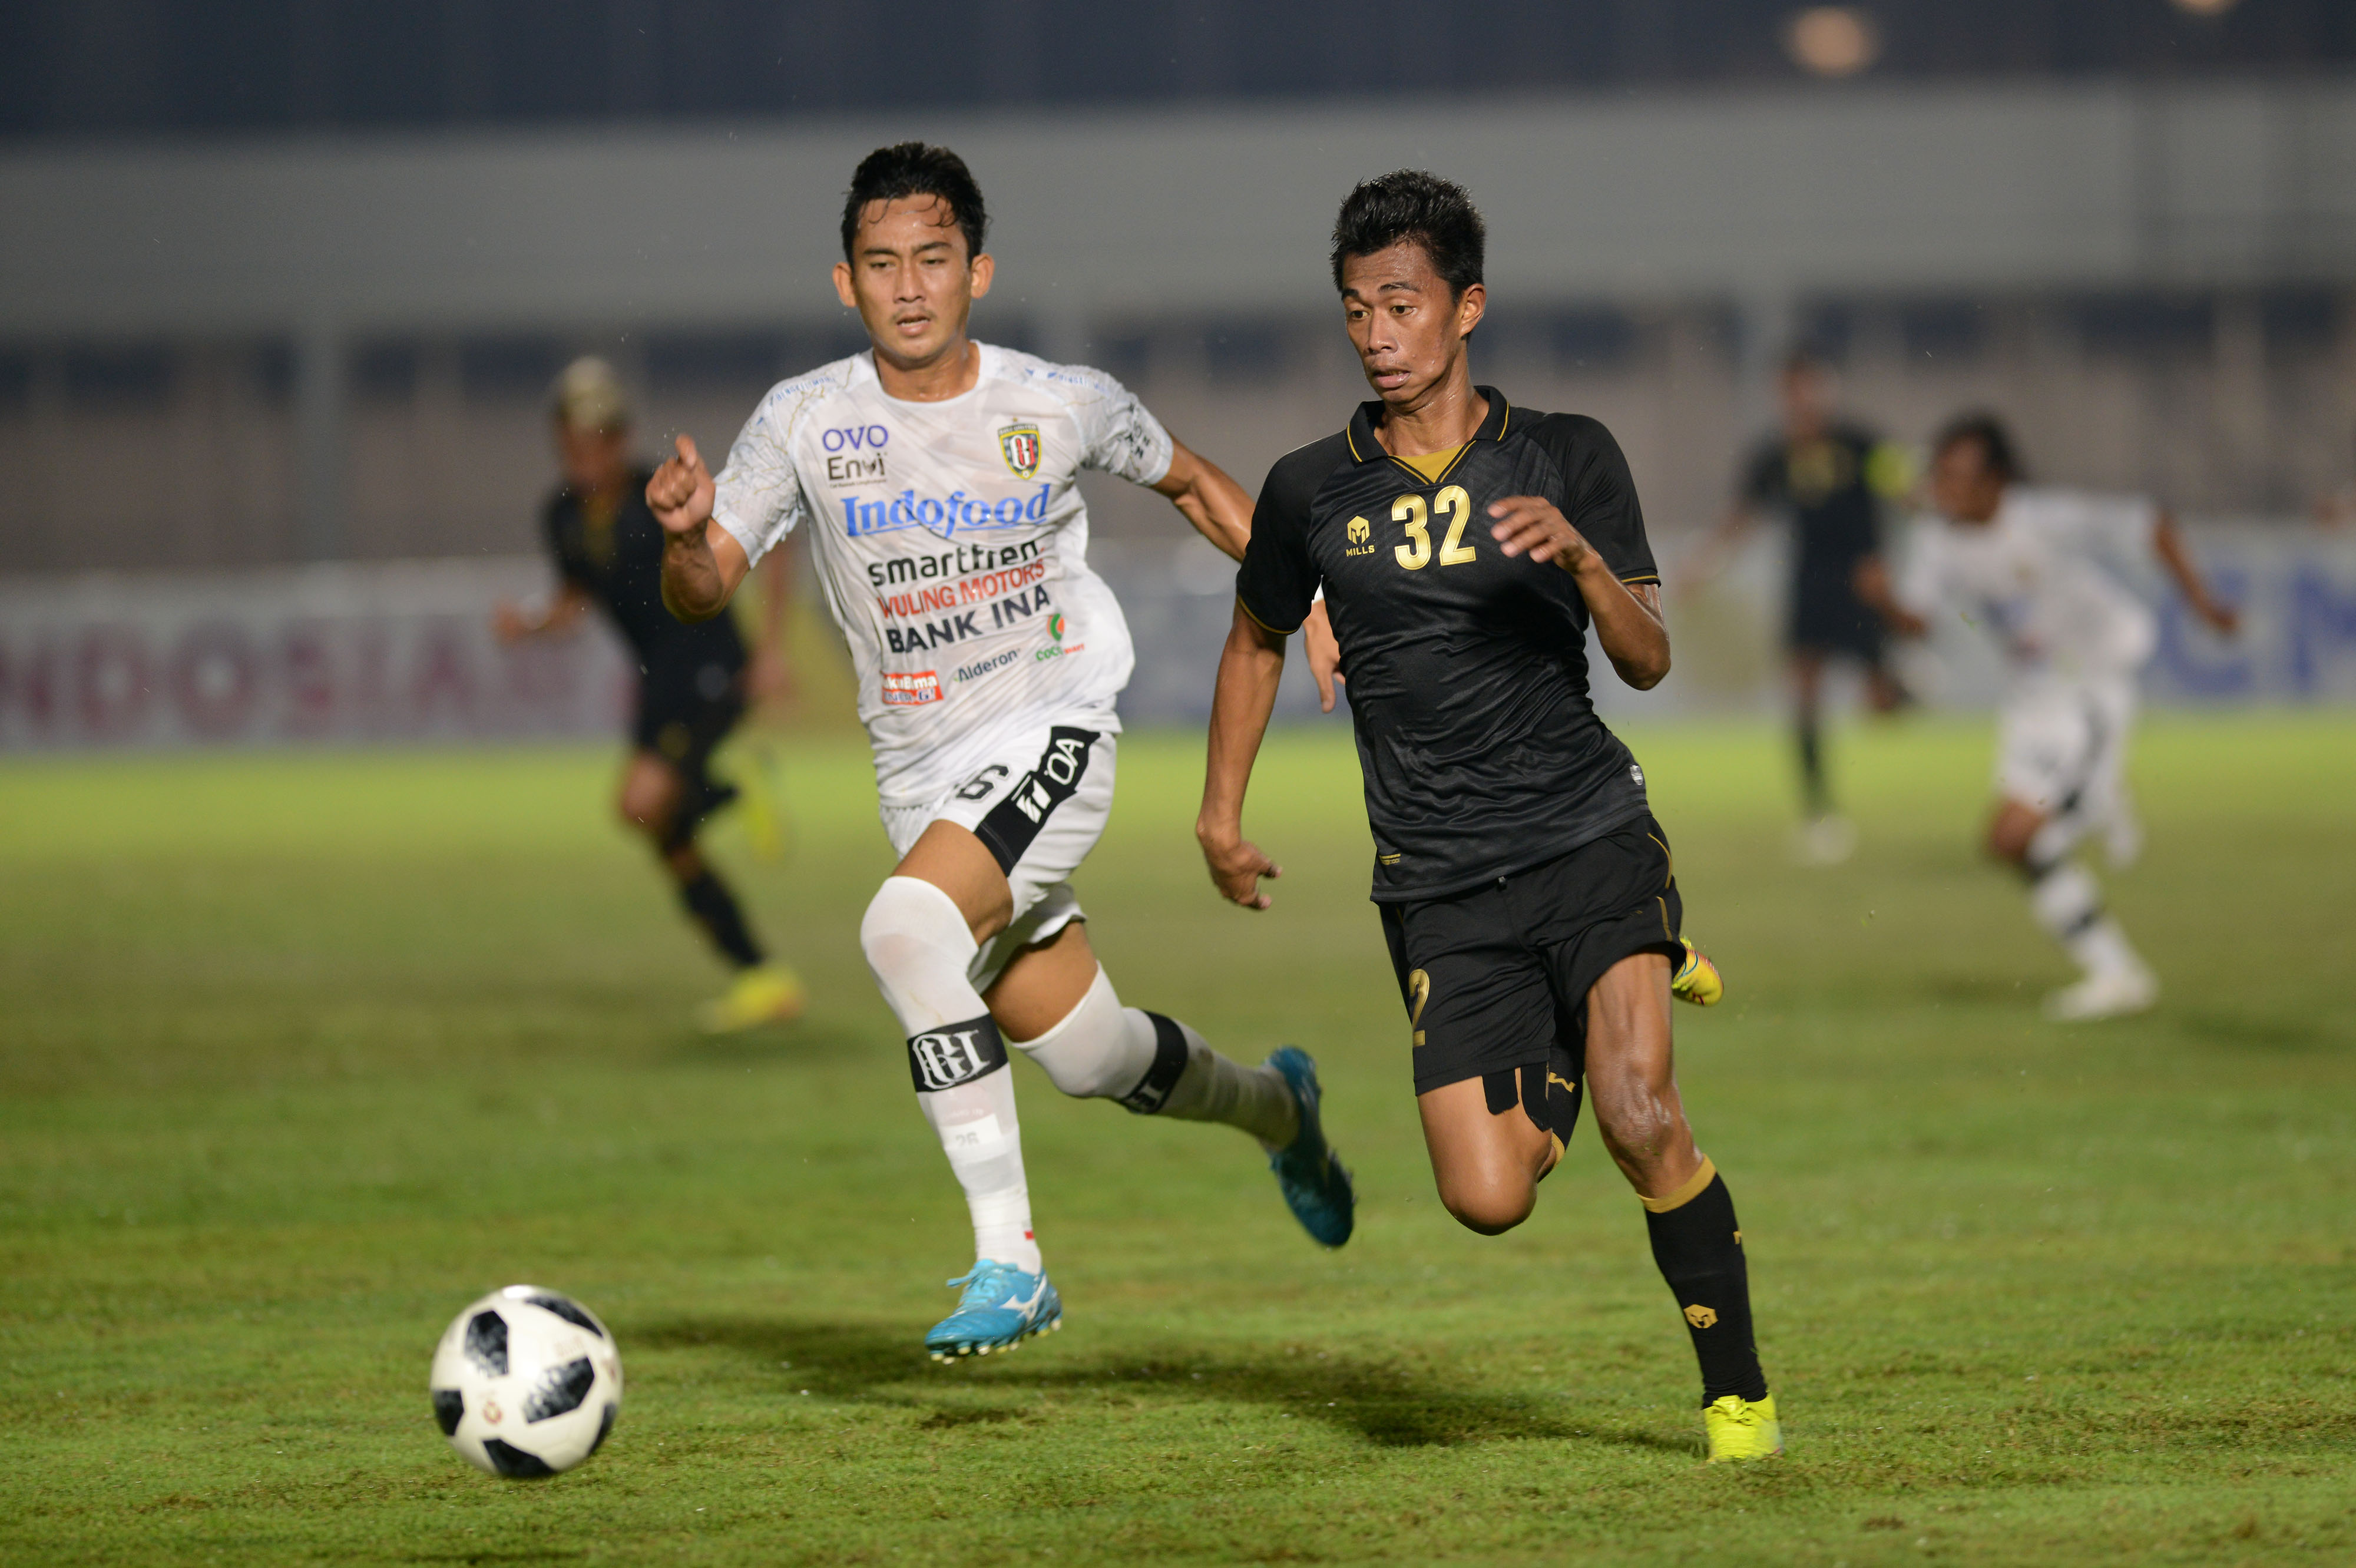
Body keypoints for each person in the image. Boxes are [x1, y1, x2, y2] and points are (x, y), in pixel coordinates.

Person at [647, 143, 1355, 1361]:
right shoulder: (806, 420)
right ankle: (1279, 1106)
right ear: (843, 282)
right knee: (1089, 1055)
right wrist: (675, 536)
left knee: (903, 931)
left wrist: (1313, 599)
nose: (908, 286)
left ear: (978, 270)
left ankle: (1010, 1260)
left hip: (1053, 728)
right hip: (921, 773)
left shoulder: (1056, 399)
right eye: (881, 264)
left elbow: (1191, 482)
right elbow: (707, 583)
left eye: (931, 259)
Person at [1197, 171, 1777, 1464]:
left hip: (1583, 833)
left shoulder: (1566, 453)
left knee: (1638, 1113)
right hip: (1438, 878)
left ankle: (1735, 1395)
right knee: (1486, 1196)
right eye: (1354, 309)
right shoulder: (1310, 493)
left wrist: (1576, 556)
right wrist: (1217, 813)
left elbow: (1647, 658)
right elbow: (1253, 639)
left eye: (1398, 304)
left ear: (1465, 308)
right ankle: (1624, 982)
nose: (1374, 332)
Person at [1864, 412, 2239, 1022]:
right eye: (1942, 475)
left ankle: (2100, 800)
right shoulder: (1937, 539)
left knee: (2022, 838)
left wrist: (2200, 601)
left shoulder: (2041, 518)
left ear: (1997, 481)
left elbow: (2151, 523)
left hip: (2090, 687)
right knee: (2005, 846)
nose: (1946, 488)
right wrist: (1883, 601)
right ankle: (2116, 971)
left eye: (1959, 477)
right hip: (2033, 703)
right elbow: (1919, 621)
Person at [494, 357, 806, 1033]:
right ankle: (761, 975)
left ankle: (738, 791)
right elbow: (575, 601)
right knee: (660, 829)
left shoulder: (663, 492)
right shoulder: (562, 518)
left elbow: (775, 536)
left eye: (600, 437)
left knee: (641, 802)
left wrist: (772, 648)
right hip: (656, 681)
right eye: (575, 439)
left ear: (619, 437)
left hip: (712, 664)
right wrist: (530, 624)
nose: (588, 452)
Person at [1687, 352, 1912, 864]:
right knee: (1804, 693)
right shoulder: (1774, 454)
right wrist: (1702, 565)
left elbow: (1908, 495)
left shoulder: (1862, 442)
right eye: (1792, 389)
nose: (1803, 398)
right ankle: (1820, 813)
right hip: (1809, 585)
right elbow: (1742, 516)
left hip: (1863, 582)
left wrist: (1894, 562)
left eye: (1811, 387)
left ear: (1826, 389)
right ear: (1782, 395)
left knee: (1884, 709)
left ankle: (1902, 679)